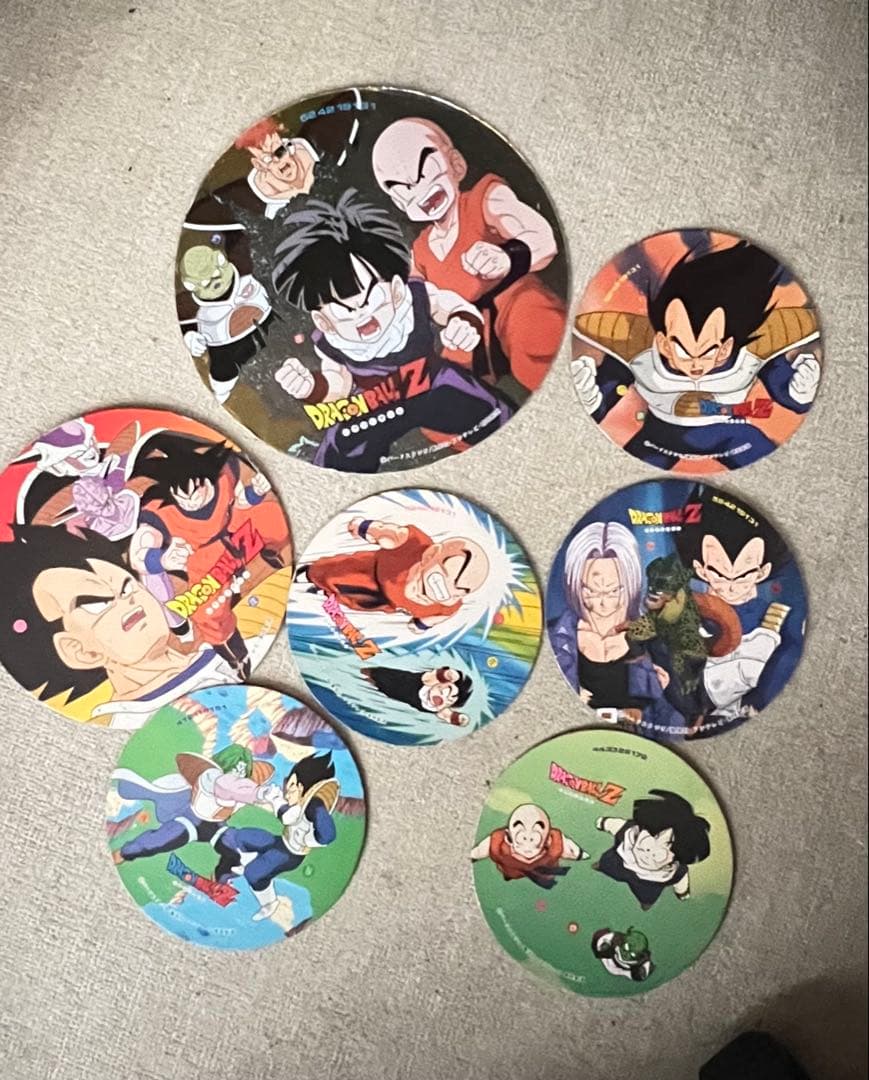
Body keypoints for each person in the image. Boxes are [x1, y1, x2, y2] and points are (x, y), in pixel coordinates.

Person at [270, 189, 513, 472]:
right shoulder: (332, 342)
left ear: (396, 289)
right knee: (338, 454)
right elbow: (338, 386)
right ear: (324, 321)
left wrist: (464, 323)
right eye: (343, 308)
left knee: (495, 415)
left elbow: (450, 305)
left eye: (369, 296)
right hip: (371, 406)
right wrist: (311, 388)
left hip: (435, 384)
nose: (360, 311)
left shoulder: (414, 298)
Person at [573, 240, 822, 469]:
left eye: (706, 352)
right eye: (683, 350)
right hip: (658, 434)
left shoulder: (750, 358)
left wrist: (799, 391)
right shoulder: (640, 356)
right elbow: (610, 383)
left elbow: (783, 389)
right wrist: (594, 397)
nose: (694, 363)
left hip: (731, 433)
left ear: (725, 348)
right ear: (663, 343)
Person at [372, 117, 566, 390]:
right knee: (446, 389)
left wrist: (508, 258)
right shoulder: (420, 251)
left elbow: (543, 238)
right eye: (402, 187)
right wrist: (452, 321)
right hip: (470, 330)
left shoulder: (485, 199)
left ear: (456, 164)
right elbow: (420, 300)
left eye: (424, 171)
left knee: (535, 334)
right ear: (398, 201)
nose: (418, 189)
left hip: (519, 307)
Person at [0, 524, 234, 728]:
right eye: (97, 603)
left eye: (127, 586)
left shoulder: (225, 655)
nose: (126, 600)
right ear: (77, 650)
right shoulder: (131, 719)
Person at [674, 484, 802, 720]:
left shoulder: (776, 613)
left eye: (742, 576)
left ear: (762, 572)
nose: (731, 586)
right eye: (719, 575)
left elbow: (789, 653)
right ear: (701, 569)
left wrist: (757, 700)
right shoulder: (686, 608)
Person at [549, 521, 685, 730]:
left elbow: (680, 722)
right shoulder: (556, 636)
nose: (603, 603)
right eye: (590, 591)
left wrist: (661, 696)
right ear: (574, 584)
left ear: (631, 583)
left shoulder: (658, 640)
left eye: (614, 591)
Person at [303, 515, 489, 633]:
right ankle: (307, 575)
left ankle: (323, 592)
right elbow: (396, 534)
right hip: (367, 570)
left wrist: (422, 624)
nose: (427, 596)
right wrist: (367, 528)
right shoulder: (415, 545)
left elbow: (441, 615)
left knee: (352, 602)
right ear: (430, 555)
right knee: (326, 571)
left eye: (451, 594)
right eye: (436, 582)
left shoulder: (446, 606)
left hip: (382, 601)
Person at [215, 753, 339, 922]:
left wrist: (309, 839)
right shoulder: (302, 803)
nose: (288, 792)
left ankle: (269, 903)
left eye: (292, 786)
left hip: (291, 854)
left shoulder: (314, 806)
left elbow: (325, 833)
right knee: (245, 836)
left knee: (254, 873)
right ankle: (246, 858)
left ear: (302, 787)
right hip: (282, 841)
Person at [111, 744, 274, 864]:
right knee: (165, 837)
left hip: (216, 827)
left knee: (234, 840)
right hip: (189, 819)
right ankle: (124, 853)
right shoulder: (207, 779)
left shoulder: (242, 791)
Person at [594, 789, 710, 909]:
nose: (652, 849)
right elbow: (615, 825)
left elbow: (681, 879)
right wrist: (603, 823)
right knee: (606, 864)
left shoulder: (674, 872)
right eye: (654, 835)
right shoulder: (627, 831)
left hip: (649, 884)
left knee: (647, 897)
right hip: (617, 862)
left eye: (668, 846)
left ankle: (646, 903)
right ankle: (600, 866)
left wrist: (682, 892)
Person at [470, 804, 588, 889]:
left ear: (547, 838)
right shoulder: (498, 842)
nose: (528, 837)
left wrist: (579, 854)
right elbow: (478, 852)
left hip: (544, 876)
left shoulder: (555, 843)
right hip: (510, 873)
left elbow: (574, 852)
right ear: (508, 835)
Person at [361, 665, 472, 726]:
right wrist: (448, 675)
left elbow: (447, 714)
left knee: (377, 685)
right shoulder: (428, 681)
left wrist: (457, 718)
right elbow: (433, 676)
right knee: (373, 673)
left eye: (449, 700)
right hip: (394, 677)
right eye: (444, 691)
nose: (443, 698)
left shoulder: (437, 708)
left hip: (392, 692)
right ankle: (363, 672)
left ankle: (368, 680)